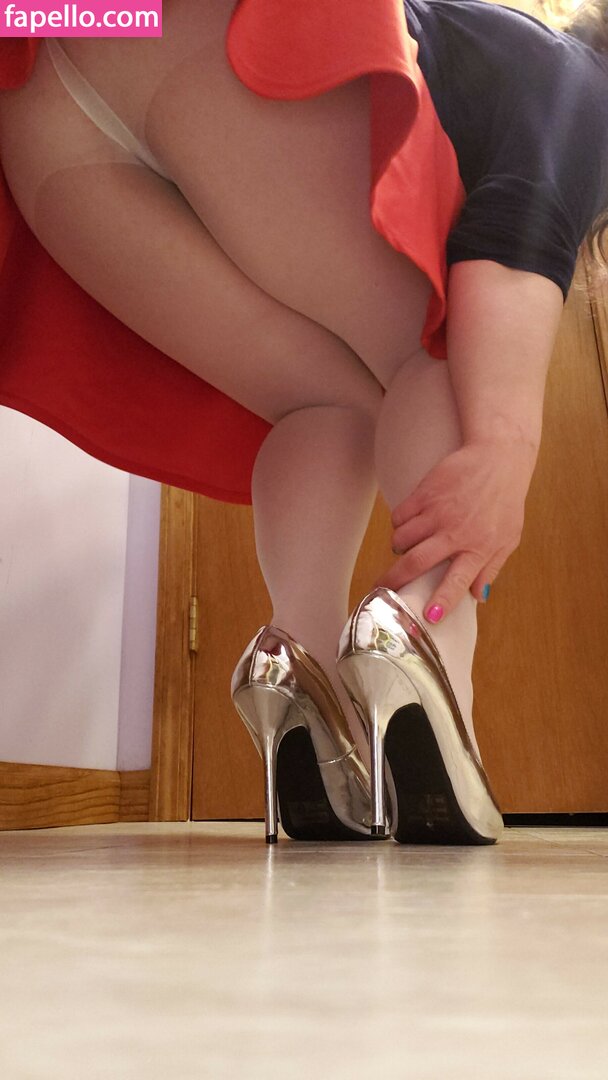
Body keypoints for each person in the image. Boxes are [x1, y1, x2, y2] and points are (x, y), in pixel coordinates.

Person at [0, 0, 606, 844]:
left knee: (322, 403)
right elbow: (514, 238)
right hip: (205, 40)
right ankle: (428, 643)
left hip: (48, 79)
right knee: (431, 348)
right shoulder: (585, 83)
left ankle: (303, 660)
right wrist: (504, 446)